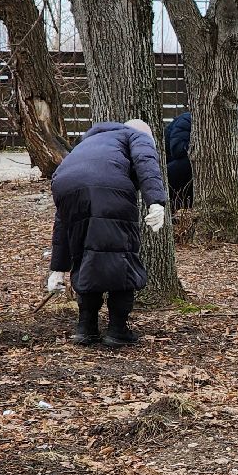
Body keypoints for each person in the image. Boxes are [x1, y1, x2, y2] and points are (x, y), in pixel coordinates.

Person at [46, 119, 169, 348]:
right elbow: (146, 161)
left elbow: (63, 223)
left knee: (83, 254)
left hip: (63, 184)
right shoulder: (135, 135)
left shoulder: (87, 143)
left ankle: (85, 329)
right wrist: (156, 202)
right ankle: (117, 330)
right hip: (110, 186)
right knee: (121, 257)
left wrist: (58, 269)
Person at [165, 105, 238, 213]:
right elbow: (177, 150)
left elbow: (226, 170)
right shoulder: (188, 121)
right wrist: (203, 150)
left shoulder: (216, 137)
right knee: (192, 165)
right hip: (164, 173)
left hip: (177, 174)